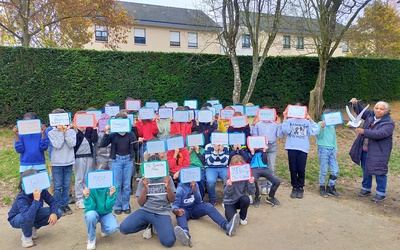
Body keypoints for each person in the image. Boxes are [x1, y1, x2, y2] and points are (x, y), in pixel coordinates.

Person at [119, 155, 176, 248]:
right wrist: (145, 188)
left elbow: (172, 199)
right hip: (145, 210)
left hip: (161, 212)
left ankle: (156, 225)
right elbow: (141, 203)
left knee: (169, 242)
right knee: (124, 228)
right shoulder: (144, 179)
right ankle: (148, 225)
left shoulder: (167, 178)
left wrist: (168, 187)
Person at [349, 99, 395, 202]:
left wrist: (363, 131)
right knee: (366, 169)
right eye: (376, 108)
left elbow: (379, 134)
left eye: (381, 109)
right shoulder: (370, 115)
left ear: (386, 111)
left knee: (380, 172)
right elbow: (362, 112)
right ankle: (366, 188)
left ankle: (381, 193)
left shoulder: (389, 123)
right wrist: (356, 104)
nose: (378, 110)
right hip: (365, 149)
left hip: (379, 153)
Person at [172, 180, 240, 247]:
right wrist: (176, 211)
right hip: (184, 210)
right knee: (180, 215)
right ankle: (185, 234)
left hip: (194, 208)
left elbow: (199, 201)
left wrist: (195, 190)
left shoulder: (195, 185)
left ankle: (226, 226)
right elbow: (175, 205)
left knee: (208, 206)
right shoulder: (180, 189)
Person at [8, 169, 62, 248]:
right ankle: (26, 236)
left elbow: (53, 201)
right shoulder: (22, 197)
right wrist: (36, 200)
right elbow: (27, 217)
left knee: (58, 212)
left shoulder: (42, 191)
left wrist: (53, 213)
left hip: (33, 214)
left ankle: (32, 227)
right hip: (17, 217)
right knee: (26, 218)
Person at [100, 111, 138, 214]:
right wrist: (107, 132)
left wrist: (135, 133)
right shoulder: (113, 135)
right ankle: (117, 205)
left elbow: (136, 147)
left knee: (126, 185)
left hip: (128, 160)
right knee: (116, 184)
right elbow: (103, 144)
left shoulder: (131, 134)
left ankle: (126, 205)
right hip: (116, 160)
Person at [280, 104, 319, 199]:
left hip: (303, 148)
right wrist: (285, 117)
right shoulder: (289, 121)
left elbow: (315, 131)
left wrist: (311, 120)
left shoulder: (306, 122)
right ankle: (294, 187)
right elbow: (285, 131)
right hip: (291, 147)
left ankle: (300, 187)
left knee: (301, 169)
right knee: (292, 169)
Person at [47, 108, 77, 215]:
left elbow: (72, 144)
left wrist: (66, 132)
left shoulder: (72, 132)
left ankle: (65, 205)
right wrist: (61, 133)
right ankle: (58, 205)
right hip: (57, 163)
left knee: (66, 186)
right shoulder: (51, 132)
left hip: (68, 162)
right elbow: (57, 145)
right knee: (57, 186)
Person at [83, 165, 119, 250]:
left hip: (106, 212)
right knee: (90, 215)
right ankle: (91, 239)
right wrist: (87, 197)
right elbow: (90, 207)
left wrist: (110, 195)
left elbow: (108, 206)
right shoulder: (90, 186)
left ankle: (104, 228)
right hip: (93, 211)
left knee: (113, 228)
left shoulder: (113, 187)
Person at [250, 106, 283, 195]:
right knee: (263, 166)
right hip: (261, 148)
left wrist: (280, 125)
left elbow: (280, 136)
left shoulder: (275, 124)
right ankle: (264, 186)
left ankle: (269, 185)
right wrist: (253, 124)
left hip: (272, 147)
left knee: (271, 166)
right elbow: (254, 136)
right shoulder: (258, 124)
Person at [71, 111, 98, 209]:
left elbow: (94, 139)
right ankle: (79, 198)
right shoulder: (74, 131)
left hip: (89, 155)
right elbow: (74, 141)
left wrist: (94, 127)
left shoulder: (90, 129)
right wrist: (76, 129)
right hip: (78, 156)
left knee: (87, 177)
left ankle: (88, 196)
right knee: (79, 178)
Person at [223, 155, 256, 226]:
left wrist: (251, 183)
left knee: (246, 199)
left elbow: (251, 192)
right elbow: (226, 194)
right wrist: (229, 186)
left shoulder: (246, 175)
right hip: (229, 202)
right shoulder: (227, 176)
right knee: (232, 222)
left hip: (240, 199)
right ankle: (227, 209)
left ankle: (243, 216)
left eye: (240, 165)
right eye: (235, 165)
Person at [316, 112, 340, 198]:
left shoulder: (332, 126)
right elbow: (319, 136)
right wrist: (322, 128)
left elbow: (334, 139)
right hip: (323, 149)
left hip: (332, 150)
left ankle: (330, 187)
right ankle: (322, 187)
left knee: (335, 170)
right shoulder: (319, 124)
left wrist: (335, 150)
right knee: (324, 170)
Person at [204, 141, 230, 205]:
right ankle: (212, 199)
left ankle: (227, 198)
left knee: (228, 180)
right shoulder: (208, 146)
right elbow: (209, 162)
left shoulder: (225, 146)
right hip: (211, 168)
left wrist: (220, 152)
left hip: (223, 167)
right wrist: (215, 152)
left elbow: (225, 162)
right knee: (210, 182)